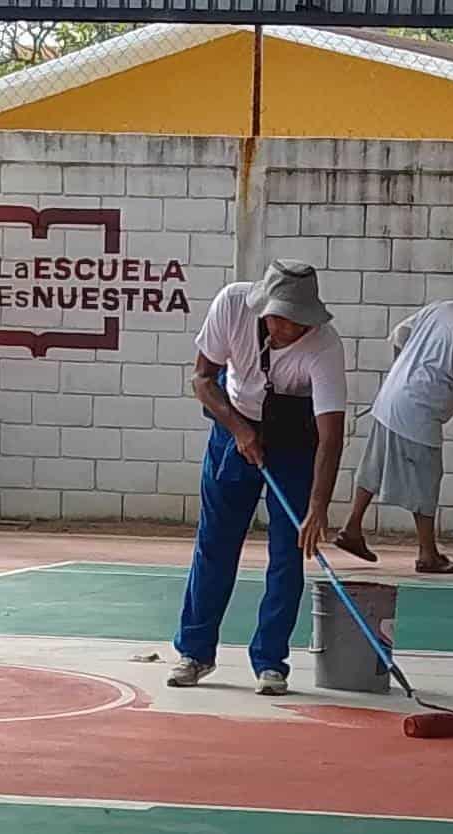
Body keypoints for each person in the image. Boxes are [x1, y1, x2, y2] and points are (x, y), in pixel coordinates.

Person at [168, 259, 346, 695]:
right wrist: (240, 432)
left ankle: (270, 661)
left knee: (289, 553)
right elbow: (202, 379)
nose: (292, 330)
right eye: (283, 319)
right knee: (216, 544)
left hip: (294, 441)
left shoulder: (324, 345)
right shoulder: (231, 304)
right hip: (233, 425)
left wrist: (318, 506)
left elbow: (331, 435)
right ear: (264, 308)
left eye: (301, 321)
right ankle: (194, 651)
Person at [333, 280, 453, 574]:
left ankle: (352, 528)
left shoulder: (441, 309)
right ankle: (427, 553)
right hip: (418, 414)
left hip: (389, 398)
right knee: (427, 479)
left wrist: (405, 370)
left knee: (373, 467)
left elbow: (399, 336)